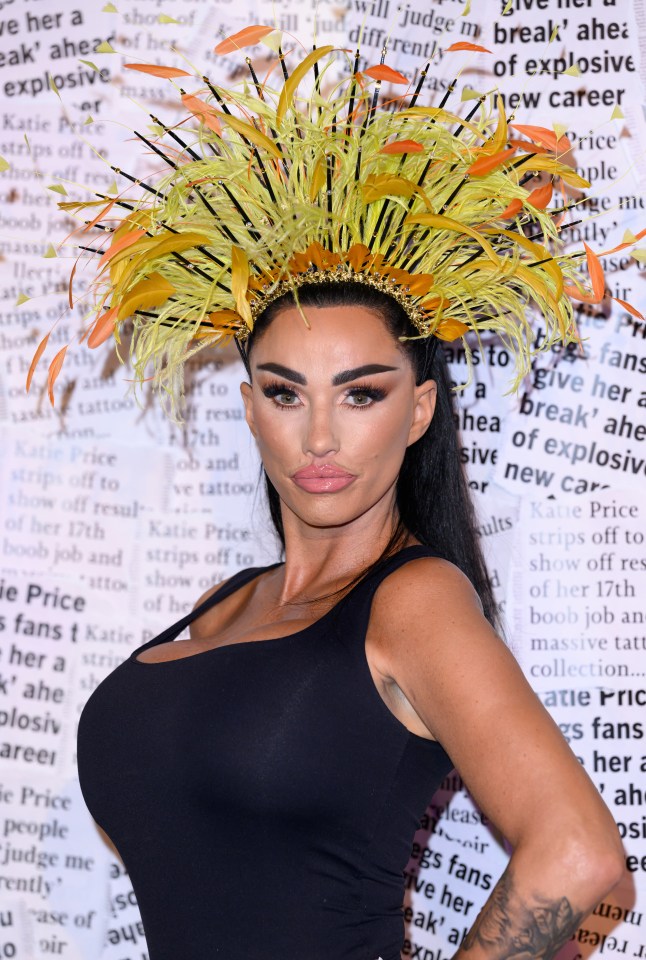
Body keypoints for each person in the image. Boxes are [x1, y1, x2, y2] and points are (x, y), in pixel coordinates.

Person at [60, 26, 632, 960]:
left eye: (360, 393)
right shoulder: (226, 601)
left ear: (417, 413)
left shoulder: (415, 602)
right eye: (286, 394)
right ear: (249, 411)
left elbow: (577, 854)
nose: (320, 438)